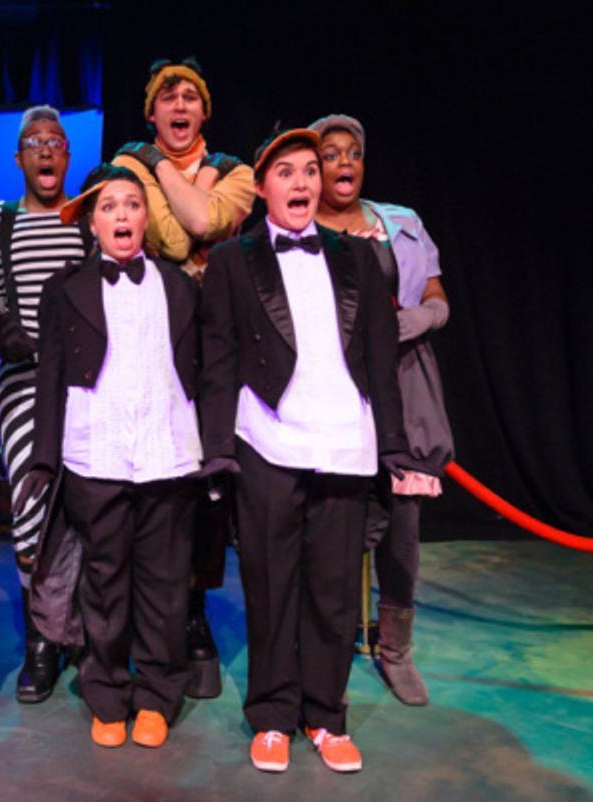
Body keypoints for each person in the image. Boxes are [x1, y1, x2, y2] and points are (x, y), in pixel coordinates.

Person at [199, 125, 413, 774]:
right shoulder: (234, 261)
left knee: (334, 587)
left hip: (345, 439)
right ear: (262, 187)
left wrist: (394, 447)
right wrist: (216, 448)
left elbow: (380, 354)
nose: (301, 182)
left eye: (310, 172)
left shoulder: (359, 256)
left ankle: (325, 714)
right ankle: (270, 712)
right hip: (268, 436)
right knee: (269, 582)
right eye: (286, 172)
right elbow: (220, 355)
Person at [17, 163, 203, 749]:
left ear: (146, 218)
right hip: (94, 453)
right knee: (102, 584)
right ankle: (106, 692)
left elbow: (200, 370)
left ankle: (156, 694)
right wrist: (44, 457)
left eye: (132, 204)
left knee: (165, 584)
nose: (122, 215)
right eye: (109, 207)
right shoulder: (64, 288)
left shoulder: (179, 285)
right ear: (91, 223)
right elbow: (48, 375)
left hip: (167, 454)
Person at [112, 57, 256, 699]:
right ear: (151, 111)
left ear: (204, 112)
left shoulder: (240, 172)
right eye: (167, 96)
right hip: (151, 337)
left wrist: (161, 171)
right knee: (154, 481)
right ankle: (146, 616)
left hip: (220, 345)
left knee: (208, 486)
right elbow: (167, 239)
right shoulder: (125, 164)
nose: (178, 105)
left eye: (189, 97)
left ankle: (194, 613)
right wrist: (179, 209)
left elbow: (201, 228)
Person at [311, 114, 453, 706]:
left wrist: (421, 318)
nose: (344, 162)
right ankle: (325, 639)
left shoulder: (399, 223)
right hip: (331, 384)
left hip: (402, 381)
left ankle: (395, 650)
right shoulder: (294, 226)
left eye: (354, 154)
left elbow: (436, 294)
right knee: (330, 519)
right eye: (331, 154)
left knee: (402, 524)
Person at [0, 105, 91, 703]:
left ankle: (91, 632)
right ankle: (42, 640)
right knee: (33, 493)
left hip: (92, 379)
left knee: (96, 498)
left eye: (56, 141)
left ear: (68, 155)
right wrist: (2, 329)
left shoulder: (91, 215)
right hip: (25, 380)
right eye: (34, 143)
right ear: (18, 158)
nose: (46, 150)